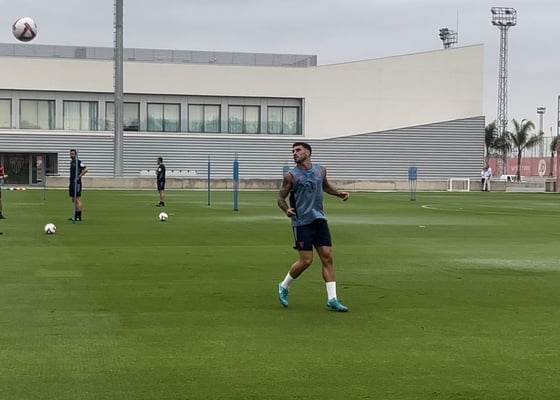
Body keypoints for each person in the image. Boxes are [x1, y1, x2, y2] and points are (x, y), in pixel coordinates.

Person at [276, 142, 350, 312]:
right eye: (293, 151)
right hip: (302, 222)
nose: (294, 153)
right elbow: (280, 198)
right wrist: (286, 209)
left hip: (319, 219)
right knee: (307, 260)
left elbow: (325, 186)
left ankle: (332, 299)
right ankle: (284, 285)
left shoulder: (320, 170)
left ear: (308, 152)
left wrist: (338, 193)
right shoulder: (291, 176)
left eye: (298, 150)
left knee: (327, 257)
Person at [69, 149, 88, 221]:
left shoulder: (79, 162)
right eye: (71, 154)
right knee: (73, 199)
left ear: (76, 154)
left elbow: (85, 169)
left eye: (73, 154)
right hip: (71, 183)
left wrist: (79, 177)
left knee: (77, 199)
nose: (71, 155)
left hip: (77, 183)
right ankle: (75, 215)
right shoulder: (72, 162)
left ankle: (78, 217)